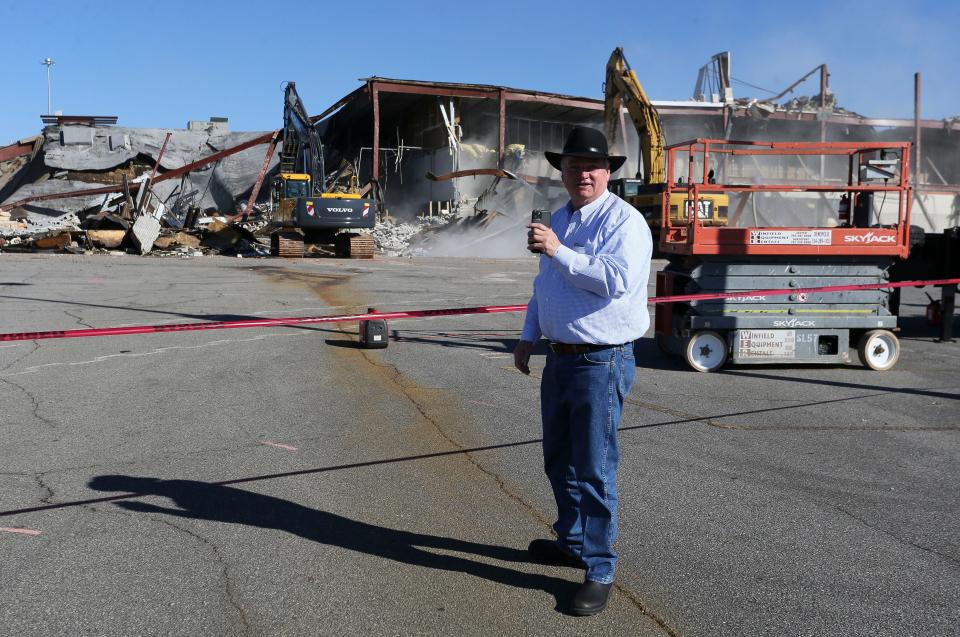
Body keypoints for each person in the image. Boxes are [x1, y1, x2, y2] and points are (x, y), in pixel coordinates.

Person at [513, 126, 652, 616]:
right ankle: (572, 542)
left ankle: (599, 568)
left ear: (608, 171)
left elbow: (612, 281)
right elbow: (544, 285)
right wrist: (530, 333)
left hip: (601, 359)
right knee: (559, 459)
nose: (581, 174)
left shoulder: (624, 222)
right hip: (561, 357)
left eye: (591, 166)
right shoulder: (561, 218)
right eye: (572, 166)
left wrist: (557, 250)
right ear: (563, 172)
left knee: (593, 467)